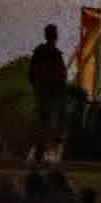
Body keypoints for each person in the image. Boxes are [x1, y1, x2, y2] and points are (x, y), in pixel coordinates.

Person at [28, 25, 67, 160]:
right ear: (55, 36)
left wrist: (37, 89)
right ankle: (47, 152)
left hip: (42, 94)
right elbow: (61, 76)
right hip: (52, 95)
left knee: (43, 123)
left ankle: (40, 153)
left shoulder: (38, 53)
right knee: (53, 123)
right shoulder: (55, 54)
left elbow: (31, 74)